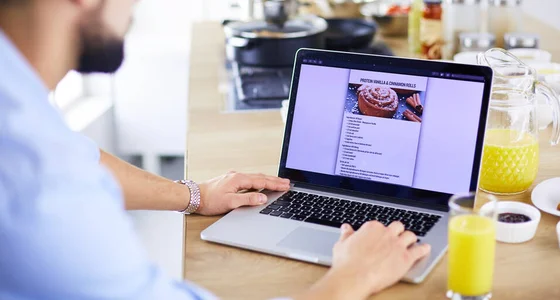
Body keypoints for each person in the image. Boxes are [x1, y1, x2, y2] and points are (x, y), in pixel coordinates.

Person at [0, 0, 431, 299]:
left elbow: (78, 154)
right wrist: (353, 278)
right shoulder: (38, 184)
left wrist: (196, 195)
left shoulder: (20, 109)